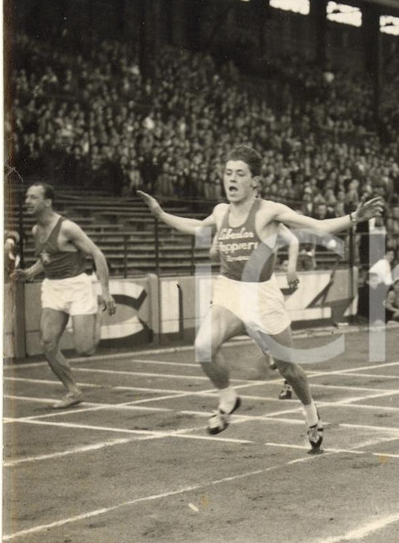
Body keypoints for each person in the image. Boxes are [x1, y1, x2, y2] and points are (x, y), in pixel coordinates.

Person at [138, 144, 383, 452]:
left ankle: (310, 414)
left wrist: (354, 217)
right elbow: (197, 228)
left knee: (289, 370)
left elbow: (318, 227)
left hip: (263, 296)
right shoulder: (220, 212)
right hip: (229, 290)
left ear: (254, 181)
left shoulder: (269, 211)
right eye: (228, 173)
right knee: (203, 346)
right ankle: (228, 398)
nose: (232, 179)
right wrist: (161, 214)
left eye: (240, 174)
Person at [10, 182, 117, 408]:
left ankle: (96, 308)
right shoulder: (36, 230)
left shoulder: (68, 228)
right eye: (27, 197)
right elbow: (46, 258)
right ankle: (73, 390)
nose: (27, 201)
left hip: (78, 286)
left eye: (32, 197)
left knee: (85, 350)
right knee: (47, 343)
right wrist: (29, 272)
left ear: (47, 202)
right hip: (52, 288)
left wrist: (105, 291)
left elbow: (98, 254)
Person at [211, 223, 301, 401]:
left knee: (272, 333)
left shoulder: (266, 218)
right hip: (237, 285)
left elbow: (293, 240)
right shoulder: (228, 223)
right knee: (247, 323)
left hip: (263, 287)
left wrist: (291, 268)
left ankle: (286, 374)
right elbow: (213, 255)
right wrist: (218, 245)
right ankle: (271, 354)